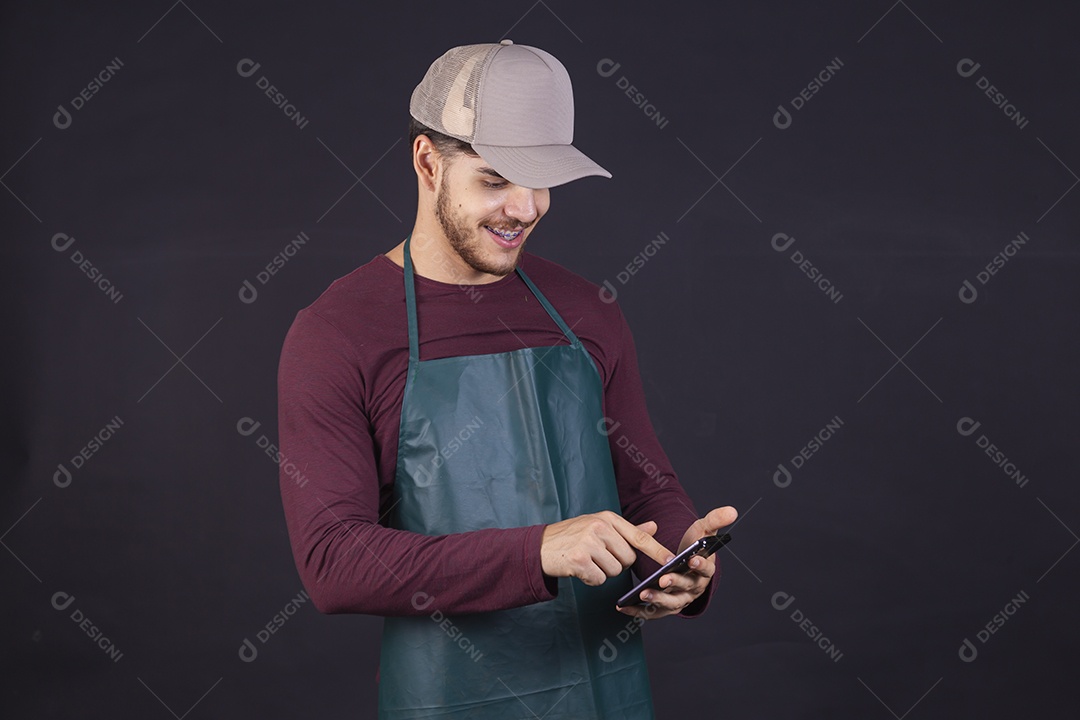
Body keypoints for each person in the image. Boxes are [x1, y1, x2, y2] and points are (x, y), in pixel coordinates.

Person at [277, 39, 737, 720]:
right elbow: (333, 562)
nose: (524, 209)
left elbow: (650, 487)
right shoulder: (337, 332)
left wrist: (679, 560)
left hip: (602, 695)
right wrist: (540, 549)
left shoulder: (586, 309)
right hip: (448, 701)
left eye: (540, 181)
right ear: (427, 162)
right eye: (494, 179)